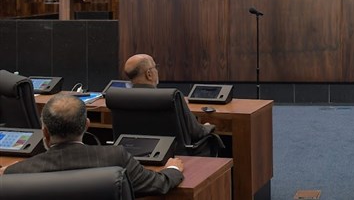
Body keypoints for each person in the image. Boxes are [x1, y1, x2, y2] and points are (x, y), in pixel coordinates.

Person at [1, 94, 184, 196]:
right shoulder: (116, 158)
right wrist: (173, 168)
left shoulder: (17, 173)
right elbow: (158, 184)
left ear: (45, 132)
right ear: (86, 125)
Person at [124, 54, 216, 142]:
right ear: (149, 74)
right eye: (155, 67)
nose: (157, 71)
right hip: (173, 151)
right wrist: (208, 126)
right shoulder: (172, 98)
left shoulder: (122, 99)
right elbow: (196, 133)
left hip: (134, 150)